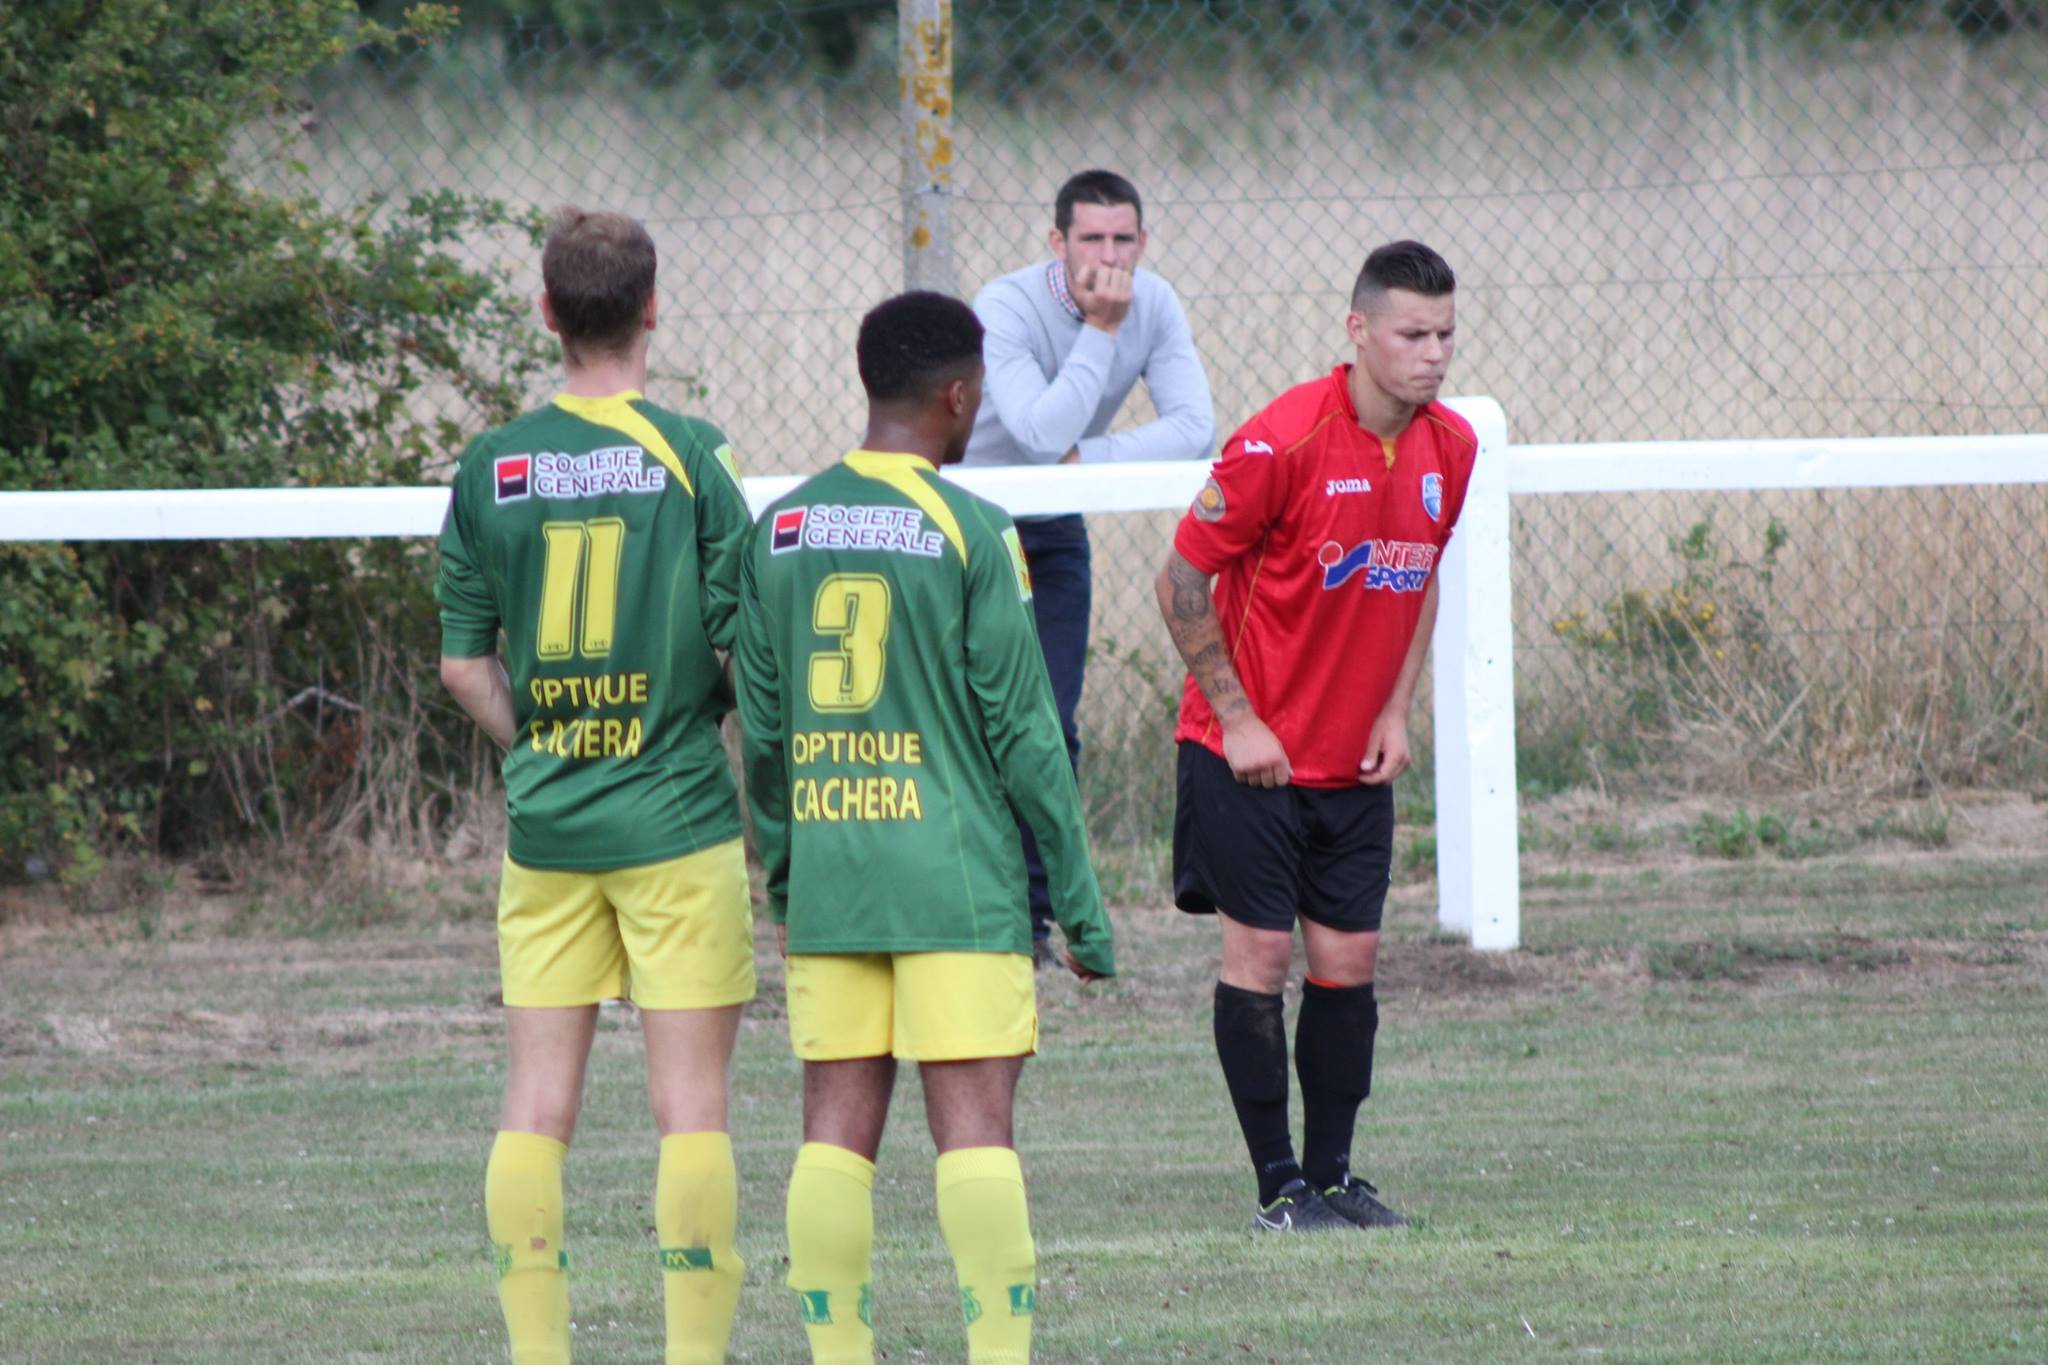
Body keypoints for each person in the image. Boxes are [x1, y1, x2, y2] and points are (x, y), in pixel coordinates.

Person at [736, 290, 1117, 1364]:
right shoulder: (973, 530)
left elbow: (761, 736)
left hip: (835, 884)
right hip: (956, 884)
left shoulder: (784, 527)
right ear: (956, 397)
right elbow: (1029, 742)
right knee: (976, 1144)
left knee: (832, 1143)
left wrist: (785, 878)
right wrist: (1080, 913)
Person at [436, 207, 755, 1363]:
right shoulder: (694, 452)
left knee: (534, 1111)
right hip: (676, 820)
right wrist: (687, 716)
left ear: (548, 313)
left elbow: (462, 664)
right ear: (653, 307)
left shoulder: (493, 463)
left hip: (549, 828)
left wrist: (539, 746)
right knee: (691, 1113)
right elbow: (745, 649)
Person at [1154, 241, 1474, 1233]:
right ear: (1357, 331)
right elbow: (1176, 582)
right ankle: (1278, 1188)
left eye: (1445, 335)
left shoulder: (1449, 448)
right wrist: (1240, 721)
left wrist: (1393, 710)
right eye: (1410, 334)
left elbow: (1414, 576)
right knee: (1257, 966)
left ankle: (1335, 1178)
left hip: (1351, 762)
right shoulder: (1279, 443)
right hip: (1245, 759)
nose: (1431, 355)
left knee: (1347, 970)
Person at [962, 168, 1215, 961]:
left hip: (1054, 528)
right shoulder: (1005, 305)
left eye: (1123, 239)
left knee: (1050, 726)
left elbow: (1194, 425)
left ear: (1143, 240)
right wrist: (1100, 330)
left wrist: (1090, 460)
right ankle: (963, 906)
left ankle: (1034, 923)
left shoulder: (1159, 301)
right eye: (1090, 238)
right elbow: (1037, 431)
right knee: (966, 723)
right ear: (1056, 242)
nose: (1108, 255)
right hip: (968, 524)